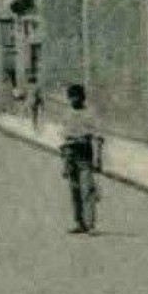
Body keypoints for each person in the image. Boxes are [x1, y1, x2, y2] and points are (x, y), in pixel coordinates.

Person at [60, 84, 100, 234]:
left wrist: (98, 159)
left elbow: (97, 137)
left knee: (87, 190)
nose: (73, 100)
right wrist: (64, 162)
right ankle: (80, 223)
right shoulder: (67, 113)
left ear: (82, 97)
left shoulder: (89, 114)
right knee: (74, 191)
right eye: (71, 97)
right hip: (70, 154)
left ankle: (90, 225)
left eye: (76, 96)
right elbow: (63, 138)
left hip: (84, 155)